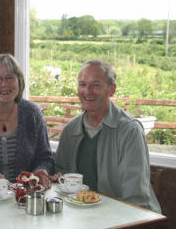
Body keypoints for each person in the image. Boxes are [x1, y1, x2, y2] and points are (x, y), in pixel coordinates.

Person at [53, 58, 161, 213]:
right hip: (82, 215)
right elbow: (62, 174)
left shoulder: (129, 131)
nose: (87, 91)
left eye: (96, 85)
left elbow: (136, 197)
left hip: (126, 217)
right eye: (82, 84)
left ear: (112, 89)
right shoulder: (70, 130)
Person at [0, 53, 54, 191]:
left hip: (25, 198)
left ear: (19, 80)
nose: (4, 85)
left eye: (10, 78)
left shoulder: (32, 113)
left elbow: (44, 157)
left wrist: (41, 171)